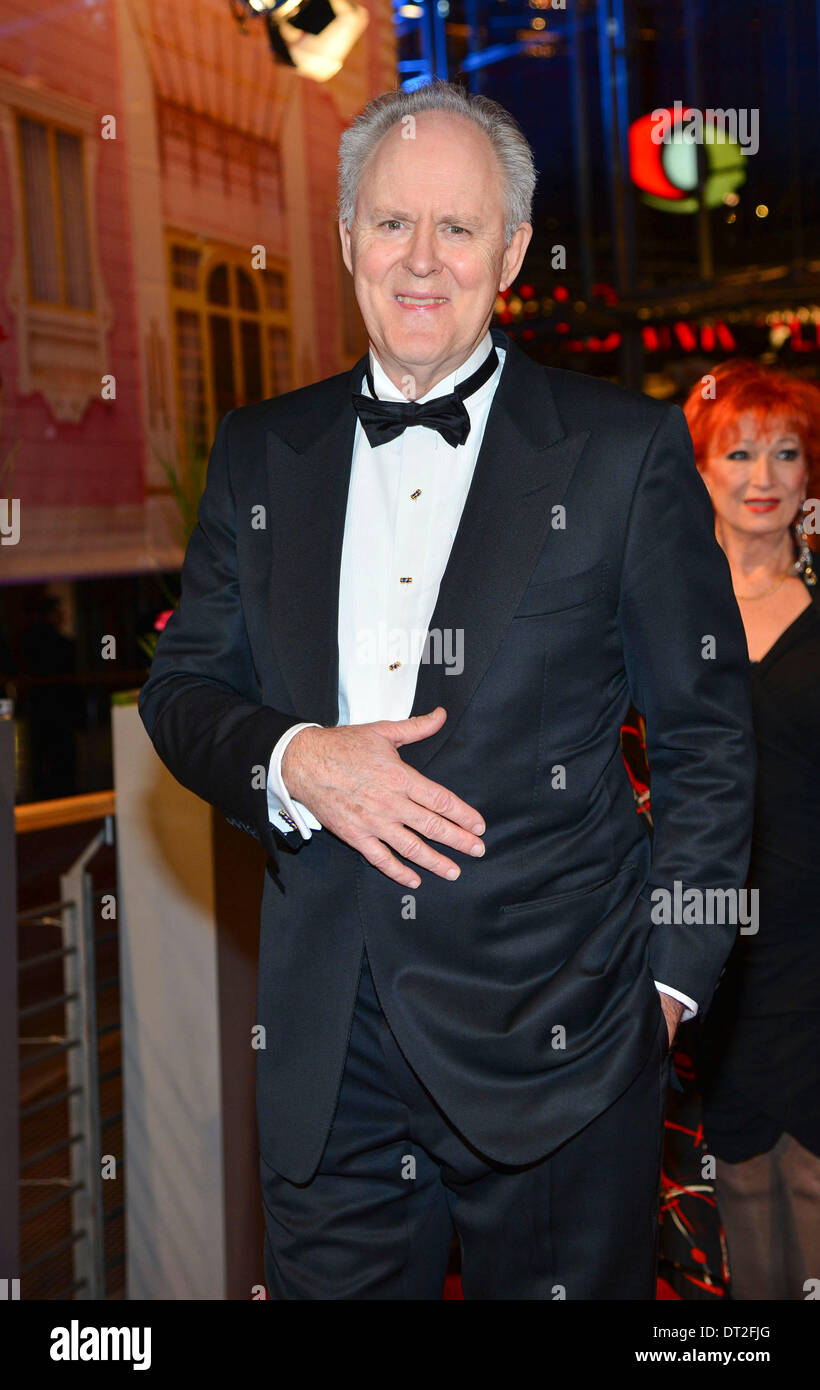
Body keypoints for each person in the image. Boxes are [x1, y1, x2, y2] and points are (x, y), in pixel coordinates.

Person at [138, 80, 755, 1300]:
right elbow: (183, 690)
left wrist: (672, 986)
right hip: (328, 1054)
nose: (420, 261)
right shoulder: (265, 449)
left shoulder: (622, 453)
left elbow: (707, 737)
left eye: (457, 229)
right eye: (390, 223)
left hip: (563, 1044)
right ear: (345, 238)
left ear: (513, 251)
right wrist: (293, 756)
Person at [684, 360, 820, 1300]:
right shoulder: (662, 621)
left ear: (810, 477)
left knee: (814, 1176)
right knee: (739, 1175)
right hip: (714, 947)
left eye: (787, 451)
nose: (763, 473)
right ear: (702, 473)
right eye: (739, 451)